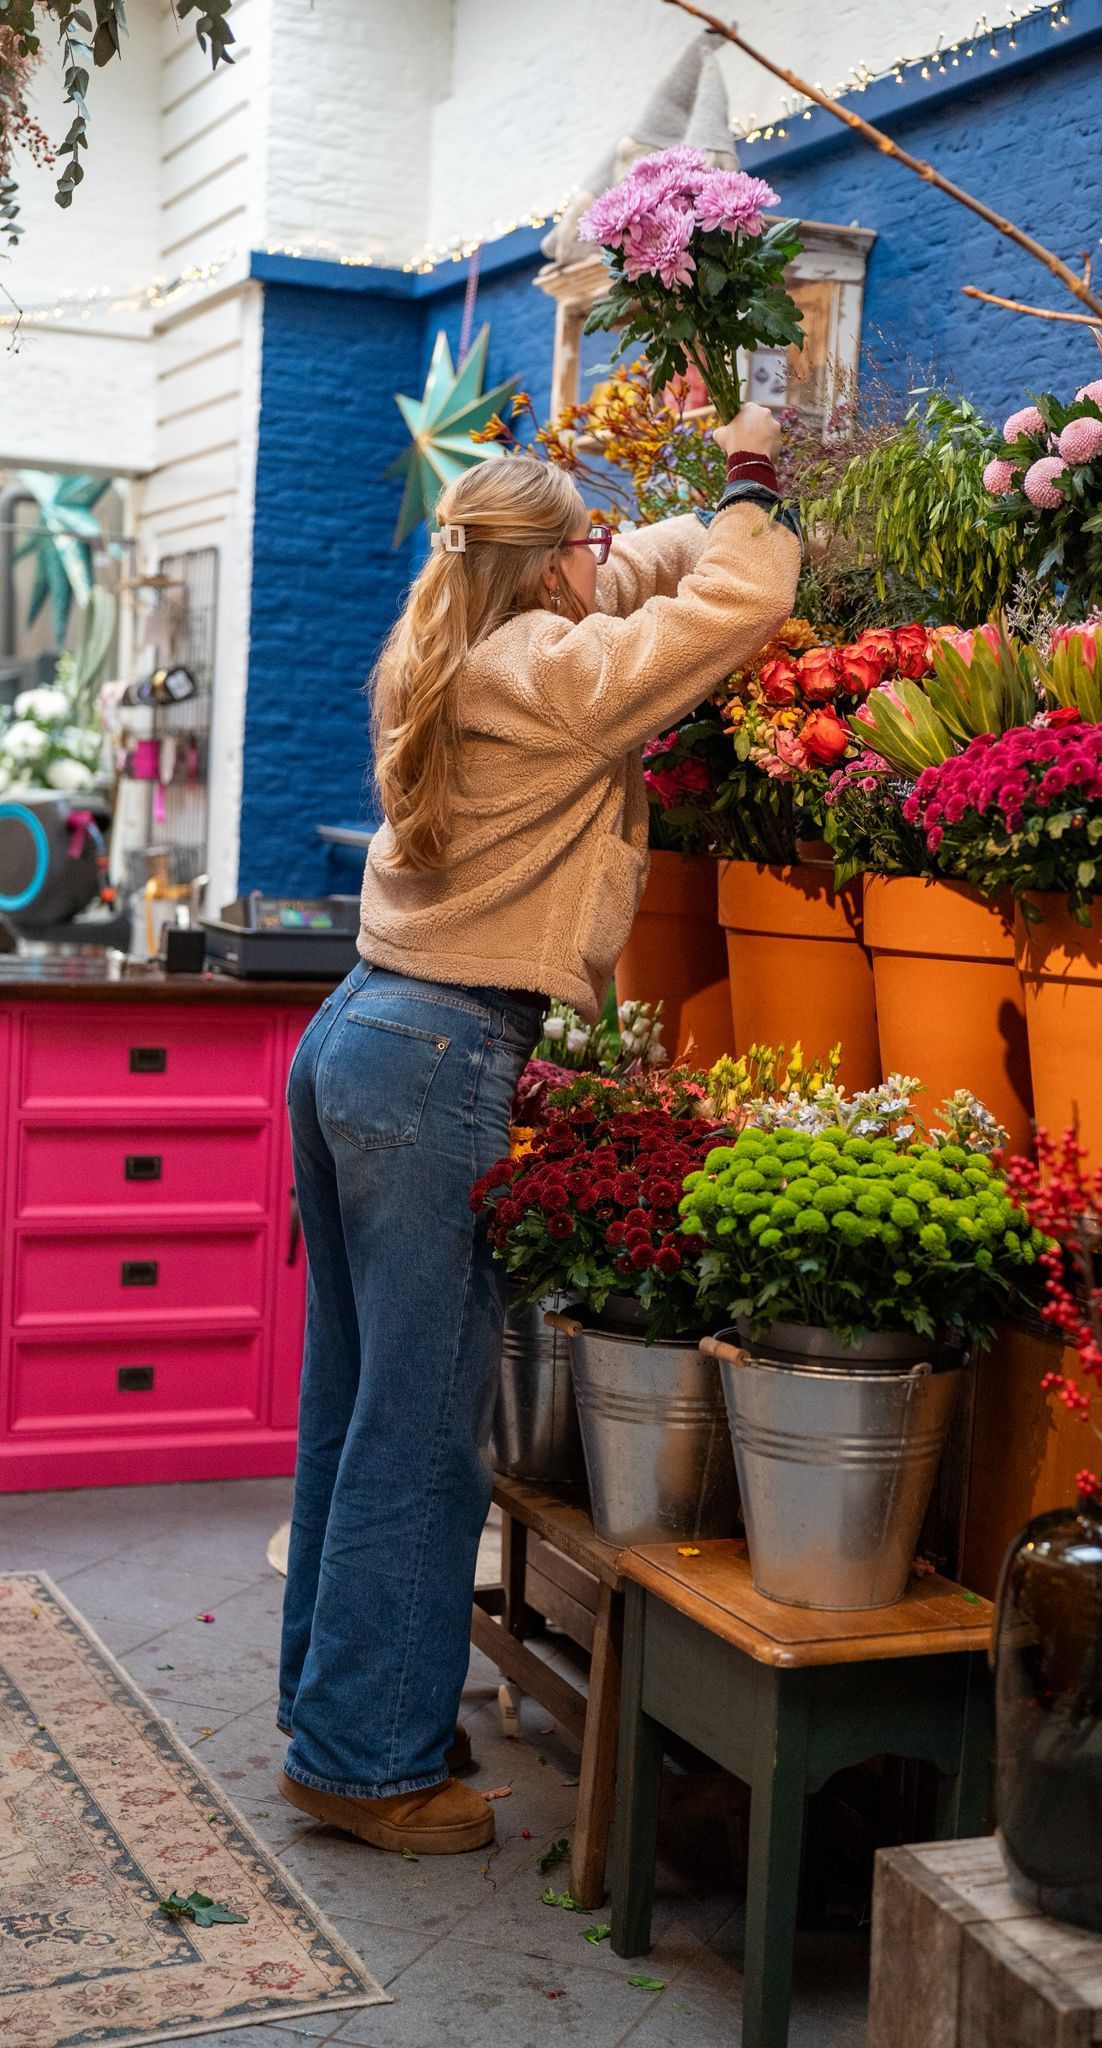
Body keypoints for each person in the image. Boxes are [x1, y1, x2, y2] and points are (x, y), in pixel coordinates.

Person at [277, 404, 799, 1854]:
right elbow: (741, 601)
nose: (605, 557)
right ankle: (372, 1765)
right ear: (546, 564)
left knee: (352, 1404)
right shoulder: (552, 675)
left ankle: (330, 1716)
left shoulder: (453, 650)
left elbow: (646, 581)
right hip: (439, 1054)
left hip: (358, 1037)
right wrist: (753, 480)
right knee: (429, 1429)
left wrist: (657, 526)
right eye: (587, 542)